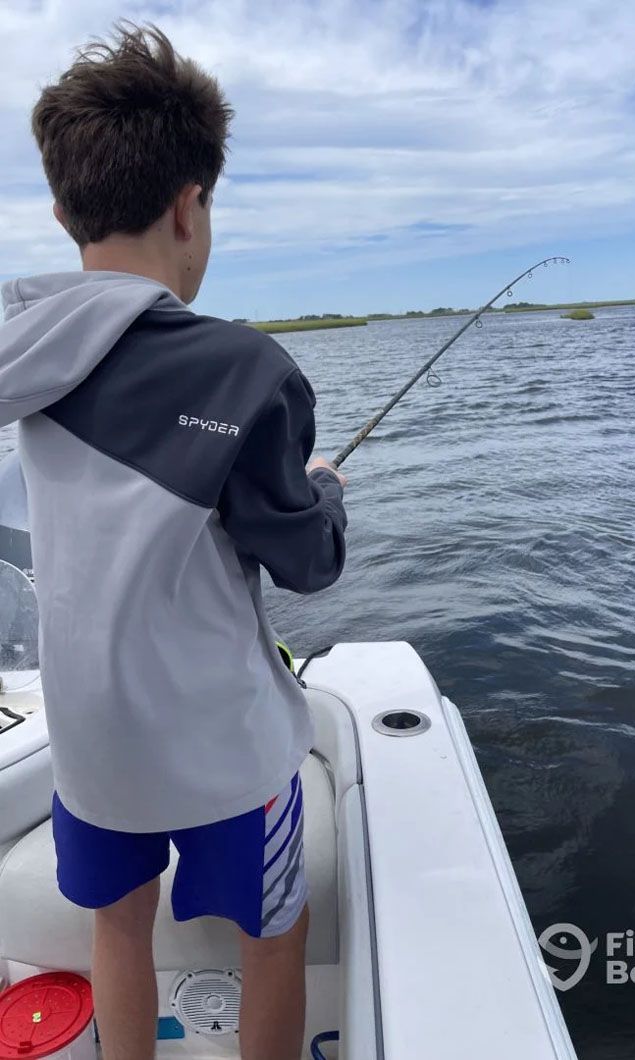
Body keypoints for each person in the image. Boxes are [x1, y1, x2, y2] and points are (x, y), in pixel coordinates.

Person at [0, 22, 348, 1060]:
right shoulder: (242, 371)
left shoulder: (24, 351)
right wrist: (322, 494)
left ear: (63, 210)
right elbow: (307, 562)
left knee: (120, 923)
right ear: (192, 202)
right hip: (226, 754)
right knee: (274, 937)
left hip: (94, 752)